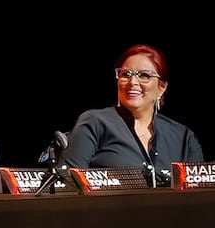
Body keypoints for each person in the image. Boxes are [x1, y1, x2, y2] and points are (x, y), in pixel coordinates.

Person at [61, 43, 203, 187]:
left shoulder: (184, 137)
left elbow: (199, 196)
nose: (132, 82)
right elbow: (68, 184)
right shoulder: (94, 123)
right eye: (125, 75)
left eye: (144, 75)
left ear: (162, 87)